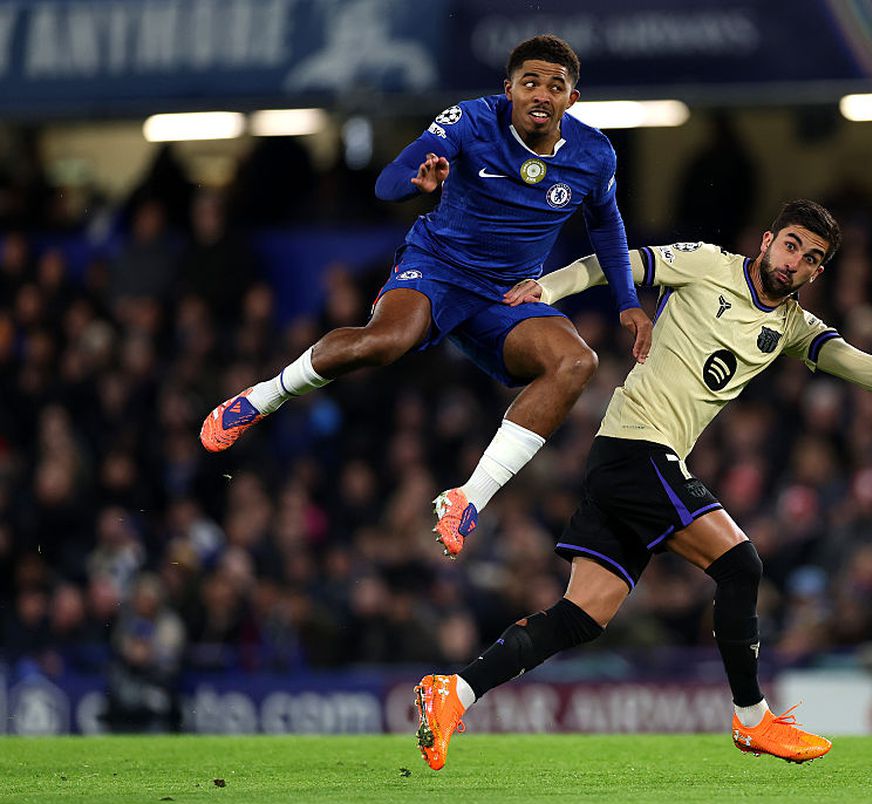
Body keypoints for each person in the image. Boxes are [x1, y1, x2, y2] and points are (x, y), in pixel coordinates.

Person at [413, 200, 872, 770]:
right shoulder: (707, 264)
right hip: (637, 448)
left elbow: (870, 368)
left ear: (817, 273)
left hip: (628, 460)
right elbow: (615, 262)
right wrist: (549, 287)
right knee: (740, 564)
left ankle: (453, 692)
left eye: (811, 258)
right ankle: (752, 717)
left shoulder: (793, 326)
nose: (794, 262)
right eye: (790, 245)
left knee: (581, 616)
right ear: (767, 242)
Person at [200, 34, 652, 558]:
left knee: (576, 361)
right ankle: (261, 398)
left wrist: (627, 301)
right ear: (508, 89)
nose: (541, 95)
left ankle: (467, 498)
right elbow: (388, 182)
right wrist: (417, 184)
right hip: (438, 270)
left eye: (555, 87)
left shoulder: (593, 154)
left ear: (572, 98)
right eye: (530, 83)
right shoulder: (469, 120)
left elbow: (606, 226)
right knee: (383, 343)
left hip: (505, 297)